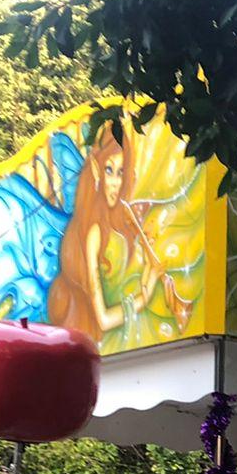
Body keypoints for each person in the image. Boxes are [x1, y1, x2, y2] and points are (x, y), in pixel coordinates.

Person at [47, 124, 156, 346]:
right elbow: (104, 320)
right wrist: (145, 297)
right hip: (100, 345)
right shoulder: (94, 233)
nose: (115, 183)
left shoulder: (118, 223)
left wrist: (148, 269)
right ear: (97, 171)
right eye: (109, 170)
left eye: (121, 172)